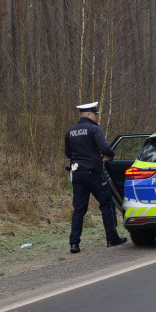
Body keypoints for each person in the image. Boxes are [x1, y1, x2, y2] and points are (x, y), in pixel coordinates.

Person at [64, 101, 127, 252]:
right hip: (93, 173)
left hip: (77, 174)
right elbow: (105, 148)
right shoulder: (94, 129)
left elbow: (68, 154)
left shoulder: (71, 131)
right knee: (107, 204)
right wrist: (109, 155)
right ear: (89, 114)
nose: (97, 116)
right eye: (96, 114)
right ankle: (112, 238)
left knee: (79, 209)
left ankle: (74, 244)